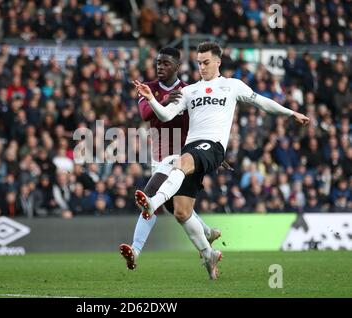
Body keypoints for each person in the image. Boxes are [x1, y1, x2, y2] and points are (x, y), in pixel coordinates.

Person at [134, 42, 310, 279]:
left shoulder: (231, 85)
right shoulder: (189, 91)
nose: (202, 67)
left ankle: (153, 204)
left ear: (218, 62)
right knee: (181, 213)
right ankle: (209, 255)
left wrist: (291, 113)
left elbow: (262, 102)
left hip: (213, 146)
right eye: (198, 63)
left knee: (180, 163)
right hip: (192, 149)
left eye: (206, 62)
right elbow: (165, 115)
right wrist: (152, 99)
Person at [119, 47, 221, 271]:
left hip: (183, 157)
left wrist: (213, 150)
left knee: (150, 198)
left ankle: (135, 251)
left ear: (177, 67)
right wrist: (163, 100)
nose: (160, 67)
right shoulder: (150, 88)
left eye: (166, 63)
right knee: (176, 209)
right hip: (159, 158)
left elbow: (201, 124)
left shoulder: (189, 91)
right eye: (158, 63)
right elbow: (145, 114)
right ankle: (208, 238)